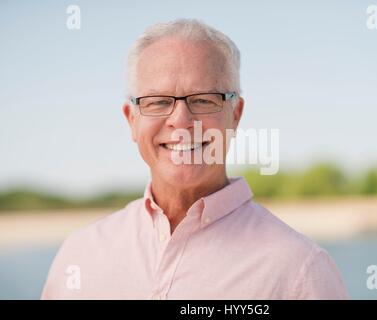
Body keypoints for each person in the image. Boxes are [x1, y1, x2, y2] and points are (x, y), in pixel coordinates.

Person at [41, 19, 348, 299]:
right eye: (158, 101)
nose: (182, 120)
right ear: (131, 120)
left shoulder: (301, 272)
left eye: (203, 100)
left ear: (235, 115)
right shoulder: (79, 256)